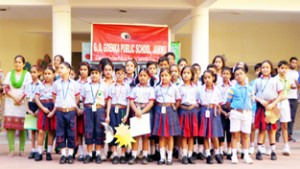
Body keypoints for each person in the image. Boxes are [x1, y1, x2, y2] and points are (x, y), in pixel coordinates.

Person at [253, 60, 283, 161]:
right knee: (262, 129)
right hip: (261, 107)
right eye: (263, 67)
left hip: (273, 107)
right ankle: (259, 151)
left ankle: (273, 151)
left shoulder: (275, 80)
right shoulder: (257, 81)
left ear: (271, 69)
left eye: (267, 67)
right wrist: (261, 100)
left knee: (272, 130)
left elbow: (281, 94)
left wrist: (273, 104)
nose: (265, 69)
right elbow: (252, 94)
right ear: (261, 69)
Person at [3, 55, 32, 157]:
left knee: (22, 128)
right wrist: (15, 98)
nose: (17, 64)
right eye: (16, 62)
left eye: (20, 62)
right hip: (11, 103)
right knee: (10, 128)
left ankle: (22, 149)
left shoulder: (27, 74)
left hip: (23, 103)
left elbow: (28, 89)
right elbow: (6, 88)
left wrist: (20, 99)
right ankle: (11, 149)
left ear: (23, 64)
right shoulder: (9, 74)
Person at [52, 62, 80, 164]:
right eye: (59, 68)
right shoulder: (56, 83)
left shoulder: (75, 84)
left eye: (62, 68)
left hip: (71, 111)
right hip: (60, 112)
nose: (59, 70)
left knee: (71, 133)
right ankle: (63, 154)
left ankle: (70, 154)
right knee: (60, 132)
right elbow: (54, 97)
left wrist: (72, 106)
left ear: (68, 70)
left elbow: (77, 98)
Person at [152, 67, 181, 165]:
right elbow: (154, 100)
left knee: (170, 135)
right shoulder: (157, 88)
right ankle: (162, 157)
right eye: (162, 75)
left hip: (170, 110)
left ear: (170, 76)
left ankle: (169, 157)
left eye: (166, 75)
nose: (164, 77)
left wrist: (174, 108)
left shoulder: (174, 88)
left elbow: (178, 100)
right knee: (161, 135)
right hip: (159, 109)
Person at [226, 67, 254, 164]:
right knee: (235, 134)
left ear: (245, 75)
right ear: (234, 77)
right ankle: (234, 155)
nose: (239, 76)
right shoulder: (232, 88)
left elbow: (252, 101)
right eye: (237, 74)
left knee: (245, 135)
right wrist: (234, 110)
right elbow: (228, 102)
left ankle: (246, 155)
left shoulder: (250, 88)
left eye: (241, 73)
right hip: (236, 113)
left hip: (247, 113)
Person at [128, 68, 155, 165]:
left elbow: (151, 103)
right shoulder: (135, 88)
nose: (142, 77)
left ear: (148, 77)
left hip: (146, 111)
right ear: (138, 77)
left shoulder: (151, 89)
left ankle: (145, 155)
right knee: (136, 135)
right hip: (136, 111)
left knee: (145, 136)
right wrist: (136, 111)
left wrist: (142, 111)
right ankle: (133, 155)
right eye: (140, 75)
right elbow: (131, 101)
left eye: (144, 76)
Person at [105, 65, 131, 164]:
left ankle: (123, 154)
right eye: (117, 73)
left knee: (123, 132)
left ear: (124, 75)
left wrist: (127, 114)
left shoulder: (127, 86)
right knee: (112, 132)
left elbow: (128, 101)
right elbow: (109, 101)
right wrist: (107, 115)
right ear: (114, 74)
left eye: (121, 73)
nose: (119, 75)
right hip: (112, 109)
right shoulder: (111, 86)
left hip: (122, 109)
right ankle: (115, 154)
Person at [197, 70, 223, 164]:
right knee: (205, 134)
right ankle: (207, 154)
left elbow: (220, 103)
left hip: (214, 111)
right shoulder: (200, 89)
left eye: (209, 77)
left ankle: (216, 153)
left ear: (213, 78)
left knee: (214, 135)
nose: (207, 80)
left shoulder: (217, 89)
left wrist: (219, 112)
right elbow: (198, 102)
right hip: (204, 111)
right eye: (205, 78)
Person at [81, 66, 106, 164]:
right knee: (89, 130)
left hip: (100, 109)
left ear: (100, 74)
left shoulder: (103, 86)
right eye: (92, 73)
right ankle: (90, 154)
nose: (94, 75)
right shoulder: (86, 86)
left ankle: (98, 154)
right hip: (88, 109)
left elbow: (107, 100)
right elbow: (83, 99)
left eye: (96, 73)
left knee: (99, 130)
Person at [34, 66, 56, 161]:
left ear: (53, 75)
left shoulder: (56, 85)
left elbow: (58, 99)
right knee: (41, 131)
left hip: (52, 106)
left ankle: (49, 151)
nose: (47, 76)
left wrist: (54, 110)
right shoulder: (40, 85)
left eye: (49, 73)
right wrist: (42, 108)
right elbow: (36, 99)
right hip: (43, 106)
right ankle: (39, 152)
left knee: (51, 131)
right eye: (45, 74)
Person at [178, 66, 198, 164]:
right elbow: (177, 100)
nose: (186, 75)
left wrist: (193, 105)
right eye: (184, 73)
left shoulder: (196, 87)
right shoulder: (179, 87)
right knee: (184, 134)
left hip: (192, 110)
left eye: (188, 73)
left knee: (191, 134)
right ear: (181, 75)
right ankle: (184, 155)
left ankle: (190, 155)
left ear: (192, 75)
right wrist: (181, 106)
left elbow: (199, 100)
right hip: (182, 110)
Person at [275, 60, 295, 155]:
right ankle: (272, 145)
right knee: (274, 124)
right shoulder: (274, 80)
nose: (283, 70)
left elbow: (292, 87)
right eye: (282, 68)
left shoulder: (289, 79)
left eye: (285, 68)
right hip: (275, 103)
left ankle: (286, 145)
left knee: (285, 124)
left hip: (285, 102)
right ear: (278, 69)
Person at [25, 65, 41, 159]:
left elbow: (42, 99)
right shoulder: (28, 84)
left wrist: (39, 110)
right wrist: (27, 109)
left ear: (39, 73)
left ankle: (39, 149)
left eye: (34, 72)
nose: (32, 74)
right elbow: (26, 97)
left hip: (38, 106)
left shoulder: (41, 84)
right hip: (30, 106)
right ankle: (33, 149)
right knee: (32, 130)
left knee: (39, 129)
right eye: (31, 72)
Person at [75, 62, 91, 161]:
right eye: (81, 70)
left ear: (88, 71)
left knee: (88, 131)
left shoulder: (91, 82)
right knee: (79, 131)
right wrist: (77, 109)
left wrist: (85, 108)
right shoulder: (75, 83)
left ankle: (90, 152)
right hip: (77, 107)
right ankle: (81, 153)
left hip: (88, 108)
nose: (83, 72)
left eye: (85, 69)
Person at [218, 66, 233, 160]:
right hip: (221, 109)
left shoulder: (233, 87)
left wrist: (230, 112)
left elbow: (235, 100)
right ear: (221, 75)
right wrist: (222, 112)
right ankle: (220, 150)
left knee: (230, 131)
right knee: (221, 131)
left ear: (230, 75)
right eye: (223, 73)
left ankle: (229, 150)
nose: (225, 75)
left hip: (231, 110)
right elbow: (216, 101)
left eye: (227, 74)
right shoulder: (217, 87)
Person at [249, 62, 262, 154]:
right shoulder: (252, 83)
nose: (259, 72)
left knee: (262, 127)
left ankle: (261, 145)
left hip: (262, 107)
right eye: (257, 70)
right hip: (254, 107)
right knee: (252, 127)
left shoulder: (269, 81)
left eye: (261, 69)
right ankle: (251, 144)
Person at [286, 57, 299, 142]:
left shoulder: (297, 74)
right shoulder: (286, 72)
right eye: (292, 62)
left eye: (295, 63)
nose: (294, 64)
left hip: (294, 97)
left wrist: (297, 85)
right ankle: (277, 134)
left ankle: (289, 135)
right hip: (285, 97)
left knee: (292, 117)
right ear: (289, 63)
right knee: (283, 117)